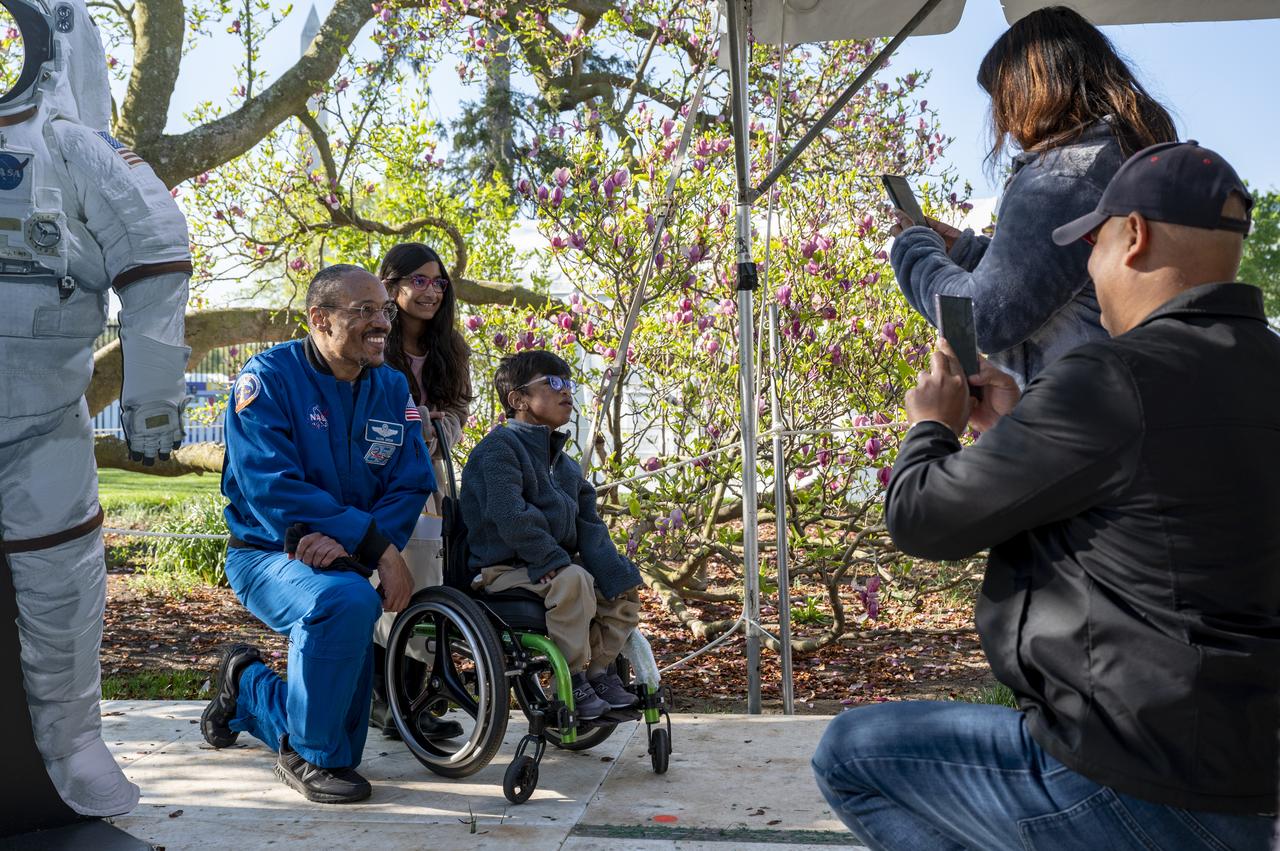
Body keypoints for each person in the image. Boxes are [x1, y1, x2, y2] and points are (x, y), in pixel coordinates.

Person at [813, 142, 1278, 850]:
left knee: (851, 754)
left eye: (1090, 246)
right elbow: (1162, 507)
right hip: (1249, 787)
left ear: (1133, 236)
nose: (1089, 272)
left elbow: (921, 518)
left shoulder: (1114, 375)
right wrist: (1020, 422)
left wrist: (932, 426)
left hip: (1128, 780)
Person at [0, 0, 191, 819]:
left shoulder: (70, 146)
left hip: (40, 423)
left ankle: (75, 742)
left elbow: (154, 253)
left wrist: (150, 403)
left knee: (62, 584)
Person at [202, 264, 434, 804]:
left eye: (384, 311)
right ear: (319, 319)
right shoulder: (267, 380)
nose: (381, 324)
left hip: (345, 555)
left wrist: (364, 542)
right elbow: (270, 487)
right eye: (364, 313)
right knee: (345, 601)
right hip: (264, 552)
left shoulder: (392, 385)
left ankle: (249, 687)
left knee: (348, 596)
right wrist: (373, 547)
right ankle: (311, 754)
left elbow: (411, 479)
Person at [889, 5, 1176, 387]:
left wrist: (913, 249)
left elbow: (981, 320)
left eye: (1001, 98)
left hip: (1079, 414)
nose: (1002, 119)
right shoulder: (1122, 158)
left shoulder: (1062, 177)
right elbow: (1058, 280)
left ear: (1027, 88)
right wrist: (964, 252)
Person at [461, 350, 642, 720]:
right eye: (553, 383)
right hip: (502, 568)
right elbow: (511, 515)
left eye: (569, 384)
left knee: (619, 584)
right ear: (518, 400)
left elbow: (589, 526)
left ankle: (599, 674)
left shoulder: (564, 463)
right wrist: (550, 558)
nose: (566, 393)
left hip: (549, 567)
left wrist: (612, 571)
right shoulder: (498, 450)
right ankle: (571, 680)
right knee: (574, 579)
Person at [367, 242, 474, 740]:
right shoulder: (370, 344)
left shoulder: (452, 350)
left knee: (421, 583)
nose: (431, 291)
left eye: (438, 282)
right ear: (391, 285)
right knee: (376, 585)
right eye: (419, 280)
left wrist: (436, 429)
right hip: (372, 480)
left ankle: (412, 701)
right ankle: (384, 702)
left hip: (426, 480)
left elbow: (457, 413)